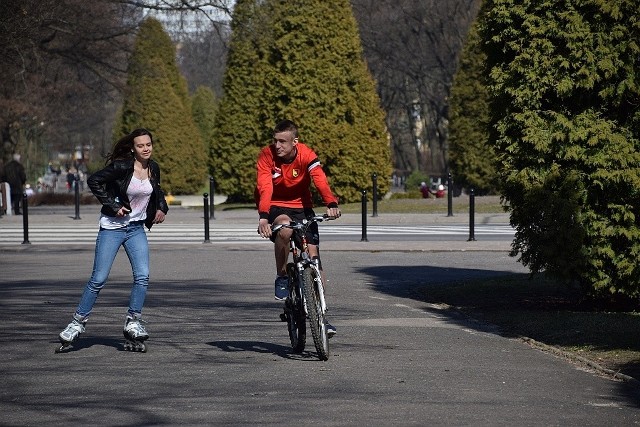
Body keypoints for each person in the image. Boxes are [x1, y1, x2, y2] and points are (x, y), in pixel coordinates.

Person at [57, 128, 168, 352]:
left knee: (142, 276)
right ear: (133, 148)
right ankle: (77, 322)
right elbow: (94, 180)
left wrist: (162, 208)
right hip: (113, 228)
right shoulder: (122, 166)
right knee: (98, 278)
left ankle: (133, 320)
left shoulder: (153, 168)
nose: (146, 149)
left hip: (135, 228)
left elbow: (157, 192)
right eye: (140, 145)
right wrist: (113, 205)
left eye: (148, 144)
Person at [256, 119, 341, 337]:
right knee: (284, 229)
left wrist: (330, 203)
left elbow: (319, 179)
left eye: (283, 142)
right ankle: (282, 275)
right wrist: (264, 218)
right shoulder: (267, 156)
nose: (278, 146)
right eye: (275, 141)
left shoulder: (306, 154)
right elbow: (264, 187)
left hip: (303, 207)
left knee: (314, 257)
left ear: (295, 142)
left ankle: (321, 314)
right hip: (276, 206)